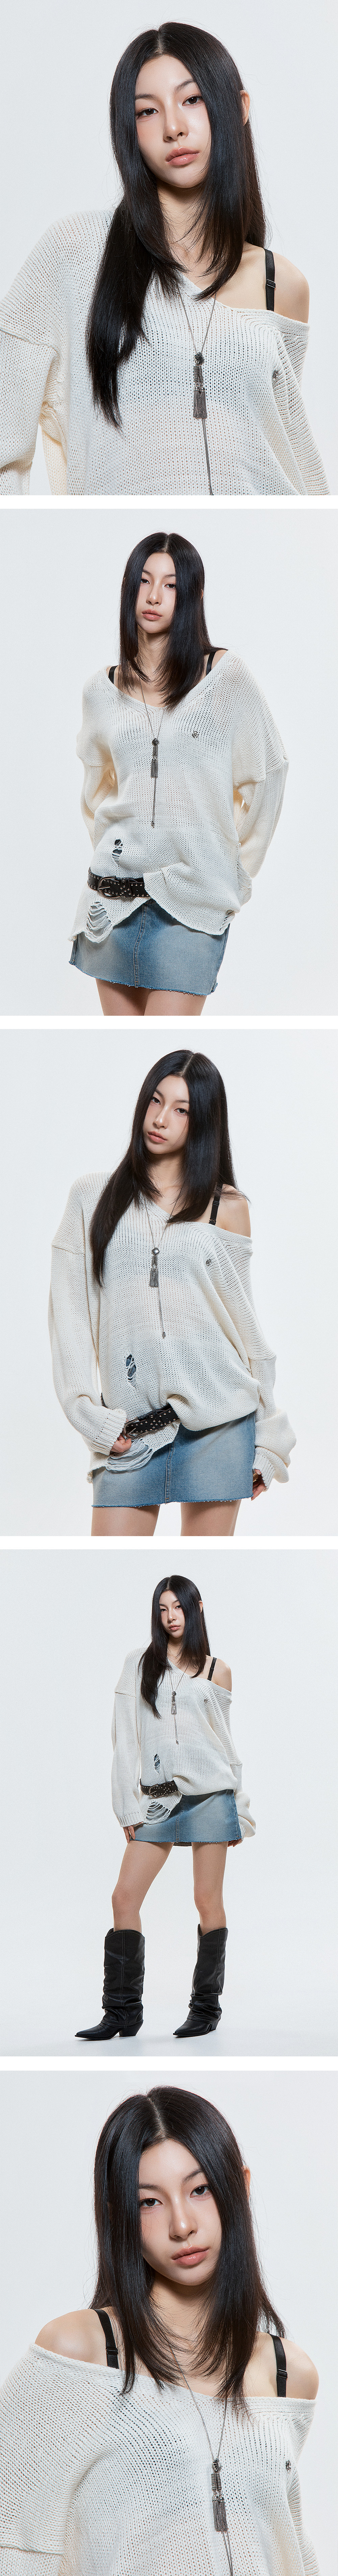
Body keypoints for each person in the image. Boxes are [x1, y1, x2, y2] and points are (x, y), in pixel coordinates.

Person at [0, 2086, 320, 2575]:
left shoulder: (288, 2373)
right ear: (119, 2215)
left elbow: (289, 2550)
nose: (182, 2225)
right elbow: (14, 2544)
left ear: (240, 2186)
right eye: (149, 2202)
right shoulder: (80, 2354)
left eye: (200, 2189)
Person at [0, 26, 329, 497]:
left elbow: (281, 446)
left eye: (192, 100)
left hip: (262, 539)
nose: (173, 127)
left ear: (239, 108)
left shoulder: (282, 283)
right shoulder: (75, 252)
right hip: (128, 541)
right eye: (147, 112)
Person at [48, 1049, 295, 1537]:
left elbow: (245, 1330)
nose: (160, 1119)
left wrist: (269, 1440)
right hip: (131, 1433)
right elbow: (69, 1320)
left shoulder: (226, 1207)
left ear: (203, 1121)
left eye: (181, 1110)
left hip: (220, 1427)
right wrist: (91, 1418)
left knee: (206, 1565)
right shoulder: (92, 1198)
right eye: (155, 1101)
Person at [70, 529, 288, 1018]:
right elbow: (96, 789)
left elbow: (269, 773)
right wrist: (116, 848)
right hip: (113, 902)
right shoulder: (100, 691)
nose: (153, 596)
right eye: (144, 581)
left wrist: (232, 868)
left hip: (191, 907)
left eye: (170, 585)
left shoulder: (224, 678)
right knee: (129, 1050)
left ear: (193, 595)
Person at [76, 1574, 256, 2044]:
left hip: (212, 1797)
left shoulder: (218, 1671)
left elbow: (226, 1745)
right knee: (124, 1898)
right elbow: (125, 1738)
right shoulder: (140, 1663)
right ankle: (122, 2013)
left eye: (178, 1607)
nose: (171, 1617)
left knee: (207, 1900)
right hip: (158, 1800)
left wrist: (238, 1808)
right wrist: (127, 1806)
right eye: (163, 1608)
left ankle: (206, 2009)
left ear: (197, 1608)